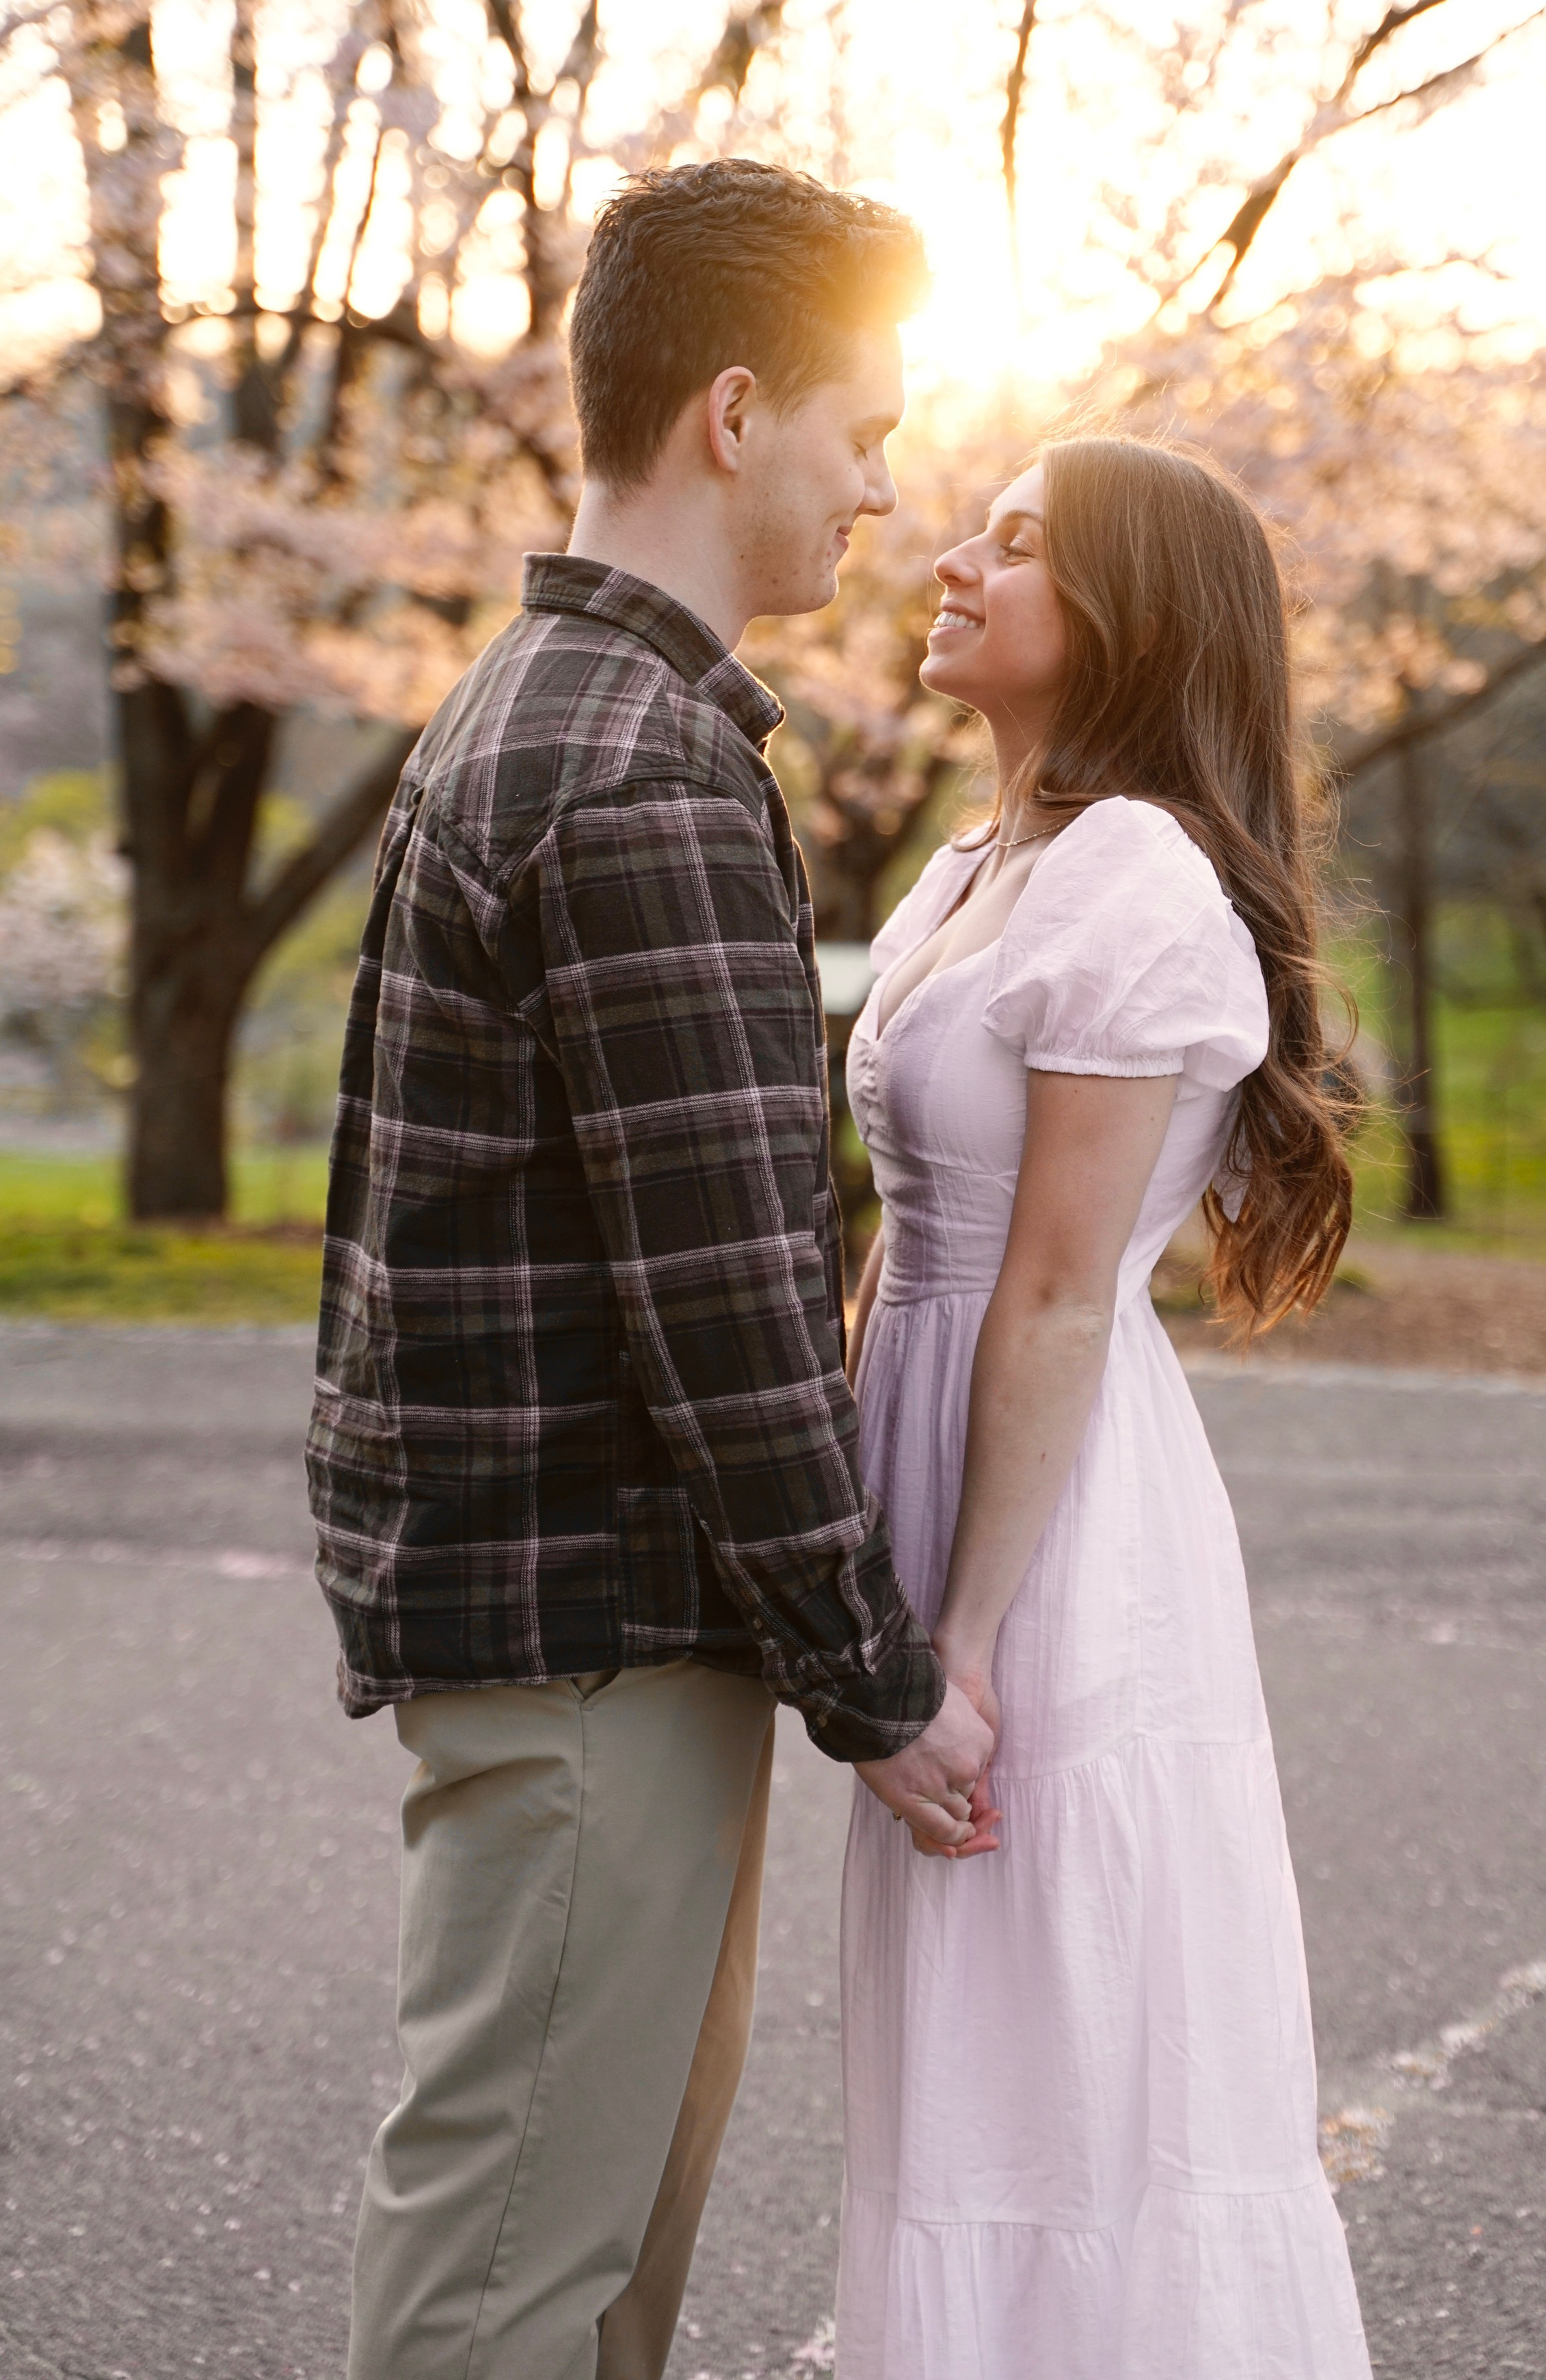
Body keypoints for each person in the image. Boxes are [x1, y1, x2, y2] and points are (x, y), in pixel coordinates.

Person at [306, 159, 994, 2380]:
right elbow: (727, 1312)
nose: (881, 491)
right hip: (594, 1631)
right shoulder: (639, 768)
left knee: (588, 2284)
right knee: (510, 2290)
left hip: (572, 1615)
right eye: (862, 432)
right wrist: (877, 1678)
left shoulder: (545, 708)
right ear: (731, 413)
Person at [836, 435, 1374, 2378]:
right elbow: (900, 1235)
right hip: (926, 1493)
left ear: (1128, 619)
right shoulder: (977, 867)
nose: (953, 560)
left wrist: (951, 1642)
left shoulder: (1138, 877)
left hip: (1045, 1533)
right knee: (966, 2070)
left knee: (1069, 2054)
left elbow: (1059, 1287)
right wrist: (835, 1574)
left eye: (1018, 545)